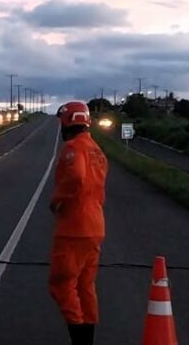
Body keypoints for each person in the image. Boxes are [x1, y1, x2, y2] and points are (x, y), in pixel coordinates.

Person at [49, 101, 108, 345]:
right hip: (94, 225)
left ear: (68, 122)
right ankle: (87, 338)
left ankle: (79, 338)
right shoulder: (97, 150)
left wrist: (58, 200)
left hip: (74, 228)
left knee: (62, 284)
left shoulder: (73, 148)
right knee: (85, 286)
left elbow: (76, 176)